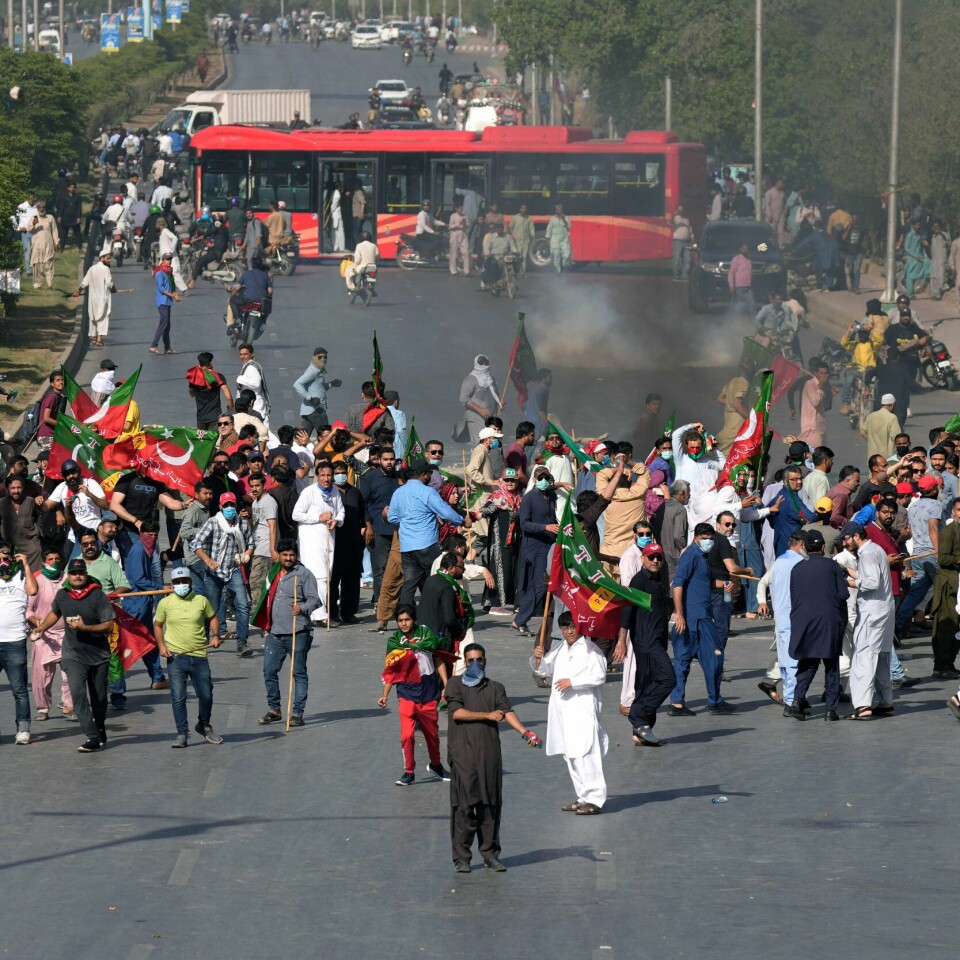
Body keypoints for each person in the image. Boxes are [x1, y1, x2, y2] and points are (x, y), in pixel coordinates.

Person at [444, 643, 541, 873]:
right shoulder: (455, 685)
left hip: (489, 757)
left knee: (490, 805)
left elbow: (507, 712)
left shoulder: (496, 687)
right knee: (464, 806)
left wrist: (525, 732)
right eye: (471, 660)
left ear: (485, 661)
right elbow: (457, 713)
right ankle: (462, 857)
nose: (475, 663)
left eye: (480, 659)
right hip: (463, 756)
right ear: (464, 663)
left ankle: (490, 854)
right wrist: (487, 715)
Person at [33, 558, 116, 752]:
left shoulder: (98, 595)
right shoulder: (62, 595)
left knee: (99, 700)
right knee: (78, 695)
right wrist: (41, 629)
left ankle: (100, 726)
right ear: (68, 576)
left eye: (80, 572)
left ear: (86, 574)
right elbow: (55, 613)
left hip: (98, 655)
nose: (77, 576)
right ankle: (92, 737)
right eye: (73, 573)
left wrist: (85, 627)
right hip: (72, 655)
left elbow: (109, 625)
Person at [531, 610, 608, 814]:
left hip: (582, 709)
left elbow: (599, 676)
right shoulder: (560, 649)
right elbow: (543, 670)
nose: (570, 631)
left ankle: (595, 798)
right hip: (562, 709)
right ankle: (583, 796)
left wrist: (573, 683)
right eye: (566, 627)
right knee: (570, 753)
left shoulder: (591, 650)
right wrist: (537, 657)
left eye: (573, 627)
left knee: (586, 752)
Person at [378, 604, 452, 785]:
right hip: (406, 692)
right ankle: (409, 771)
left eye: (407, 620)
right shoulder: (394, 642)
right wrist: (384, 694)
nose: (404, 624)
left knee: (432, 735)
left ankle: (436, 765)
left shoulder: (427, 635)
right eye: (400, 620)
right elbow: (391, 670)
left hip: (428, 692)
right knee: (407, 736)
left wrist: (447, 685)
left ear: (414, 620)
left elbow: (438, 659)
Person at [154, 566, 223, 748]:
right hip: (176, 657)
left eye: (184, 581)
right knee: (178, 697)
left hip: (199, 656)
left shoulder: (201, 600)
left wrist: (216, 635)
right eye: (177, 582)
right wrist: (161, 646)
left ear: (190, 583)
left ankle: (203, 724)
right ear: (172, 584)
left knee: (206, 695)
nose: (181, 584)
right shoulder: (165, 603)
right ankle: (182, 734)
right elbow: (158, 625)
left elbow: (213, 617)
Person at [257, 539, 321, 727]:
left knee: (298, 673)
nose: (288, 558)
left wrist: (301, 608)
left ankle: (297, 713)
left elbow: (315, 600)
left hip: (297, 631)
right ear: (278, 555)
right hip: (275, 632)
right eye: (284, 554)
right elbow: (266, 599)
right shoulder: (274, 573)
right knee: (269, 670)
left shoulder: (304, 574)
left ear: (296, 555)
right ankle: (274, 709)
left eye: (291, 554)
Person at [615, 542, 674, 745]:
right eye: (651, 557)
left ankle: (639, 731)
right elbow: (626, 612)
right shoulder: (639, 581)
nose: (656, 560)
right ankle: (639, 717)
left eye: (658, 557)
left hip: (657, 639)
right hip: (646, 642)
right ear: (643, 559)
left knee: (645, 684)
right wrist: (621, 641)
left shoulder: (658, 579)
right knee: (668, 678)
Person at [387, 460, 465, 608]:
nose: (430, 476)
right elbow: (446, 513)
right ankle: (440, 612)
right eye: (429, 473)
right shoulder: (428, 492)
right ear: (423, 475)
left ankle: (405, 615)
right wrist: (461, 520)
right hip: (427, 545)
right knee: (438, 579)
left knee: (409, 585)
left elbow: (391, 517)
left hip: (407, 547)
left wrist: (406, 518)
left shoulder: (399, 492)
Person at [788, 529, 848, 721]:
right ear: (823, 547)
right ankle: (830, 710)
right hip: (828, 621)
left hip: (804, 621)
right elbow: (843, 595)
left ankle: (798, 699)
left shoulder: (797, 568)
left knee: (807, 662)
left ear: (804, 547)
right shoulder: (832, 566)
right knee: (831, 665)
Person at [840, 522, 895, 720]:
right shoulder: (875, 549)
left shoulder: (868, 554)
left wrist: (844, 582)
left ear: (856, 536)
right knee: (881, 657)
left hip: (872, 612)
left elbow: (871, 582)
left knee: (863, 657)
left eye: (846, 539)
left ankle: (863, 707)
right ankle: (885, 702)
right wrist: (848, 571)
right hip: (884, 611)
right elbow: (870, 576)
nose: (845, 544)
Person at [190, 493, 254, 656]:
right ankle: (204, 637)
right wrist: (208, 560)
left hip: (233, 570)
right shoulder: (213, 522)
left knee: (242, 604)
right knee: (211, 607)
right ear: (220, 507)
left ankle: (242, 643)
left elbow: (251, 543)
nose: (229, 508)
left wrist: (246, 553)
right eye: (226, 506)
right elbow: (195, 543)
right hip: (214, 572)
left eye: (232, 505)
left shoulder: (242, 524)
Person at [292, 460, 344, 627]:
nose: (326, 479)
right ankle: (319, 614)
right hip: (311, 540)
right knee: (319, 577)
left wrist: (336, 520)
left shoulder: (335, 491)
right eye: (323, 475)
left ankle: (315, 610)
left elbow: (341, 510)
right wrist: (318, 518)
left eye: (329, 475)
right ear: (317, 476)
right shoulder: (309, 492)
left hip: (329, 539)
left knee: (326, 576)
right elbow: (296, 514)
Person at [0, 545, 39, 745]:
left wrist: (25, 563)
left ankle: (23, 729)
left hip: (14, 641)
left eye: (6, 556)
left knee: (19, 689)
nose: (2, 560)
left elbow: (33, 590)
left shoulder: (21, 576)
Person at [514, 466, 558, 636]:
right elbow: (524, 524)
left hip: (549, 544)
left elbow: (552, 517)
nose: (544, 481)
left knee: (542, 584)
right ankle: (520, 619)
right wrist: (545, 527)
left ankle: (521, 620)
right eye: (540, 477)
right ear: (534, 479)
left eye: (546, 477)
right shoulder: (529, 498)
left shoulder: (551, 495)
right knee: (539, 585)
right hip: (534, 547)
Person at [329, 464, 365, 624]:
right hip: (334, 543)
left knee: (351, 580)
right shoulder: (329, 493)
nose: (340, 475)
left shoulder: (356, 492)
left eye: (343, 472)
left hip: (353, 543)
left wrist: (366, 526)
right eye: (337, 473)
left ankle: (349, 612)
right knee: (333, 580)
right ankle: (332, 613)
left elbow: (364, 514)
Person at [930, 497, 960, 680]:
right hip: (948, 586)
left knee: (956, 627)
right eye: (959, 509)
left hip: (957, 585)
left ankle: (948, 663)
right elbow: (943, 559)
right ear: (954, 512)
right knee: (947, 626)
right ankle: (941, 666)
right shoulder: (949, 532)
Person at [294, 347, 342, 438]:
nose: (323, 359)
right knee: (326, 437)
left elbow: (319, 389)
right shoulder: (313, 371)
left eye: (325, 357)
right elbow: (297, 384)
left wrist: (331, 384)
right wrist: (310, 398)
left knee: (302, 437)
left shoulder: (318, 370)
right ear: (314, 357)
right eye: (320, 357)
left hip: (308, 410)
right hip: (316, 410)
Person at [457, 354, 500, 448]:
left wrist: (500, 403)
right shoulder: (470, 379)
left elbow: (495, 396)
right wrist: (480, 409)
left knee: (494, 446)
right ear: (476, 363)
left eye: (486, 362)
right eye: (481, 362)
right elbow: (463, 399)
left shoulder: (491, 379)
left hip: (491, 418)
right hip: (476, 418)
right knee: (481, 446)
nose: (484, 365)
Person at [76, 251, 116, 348]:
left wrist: (79, 289)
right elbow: (109, 283)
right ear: (101, 258)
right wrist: (113, 289)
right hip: (102, 297)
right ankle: (99, 339)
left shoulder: (91, 269)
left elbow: (85, 282)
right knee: (103, 317)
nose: (110, 260)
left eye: (110, 258)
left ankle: (94, 337)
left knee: (93, 317)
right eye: (108, 258)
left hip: (93, 298)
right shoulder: (106, 269)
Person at [186, 352, 233, 431]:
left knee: (203, 441)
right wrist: (231, 411)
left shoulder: (194, 378)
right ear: (210, 363)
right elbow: (228, 396)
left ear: (199, 364)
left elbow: (191, 394)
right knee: (214, 440)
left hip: (201, 417)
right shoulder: (219, 376)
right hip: (214, 417)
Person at [715, 359, 754, 453]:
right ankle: (705, 451)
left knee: (729, 446)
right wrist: (749, 418)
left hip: (728, 415)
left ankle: (723, 463)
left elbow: (719, 398)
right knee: (725, 439)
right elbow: (737, 404)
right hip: (737, 417)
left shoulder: (732, 381)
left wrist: (729, 403)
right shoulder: (744, 383)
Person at [149, 252, 181, 355]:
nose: (169, 261)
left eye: (170, 259)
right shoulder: (159, 273)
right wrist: (173, 296)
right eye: (167, 259)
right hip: (162, 301)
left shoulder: (168, 272)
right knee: (163, 324)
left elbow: (171, 286)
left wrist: (174, 294)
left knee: (167, 325)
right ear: (163, 260)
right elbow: (162, 289)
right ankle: (154, 346)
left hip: (167, 301)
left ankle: (167, 348)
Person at [237, 343, 271, 428]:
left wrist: (240, 379)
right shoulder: (247, 365)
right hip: (251, 404)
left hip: (256, 405)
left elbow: (256, 383)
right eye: (241, 354)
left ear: (252, 354)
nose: (242, 357)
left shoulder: (251, 367)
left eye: (245, 354)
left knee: (261, 431)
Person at [28, 201, 59, 290]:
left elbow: (54, 231)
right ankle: (37, 284)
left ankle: (50, 284)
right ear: (37, 208)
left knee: (48, 264)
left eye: (43, 207)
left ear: (45, 208)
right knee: (37, 265)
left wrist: (56, 242)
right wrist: (34, 223)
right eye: (39, 207)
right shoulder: (34, 218)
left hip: (48, 245)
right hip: (37, 245)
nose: (41, 209)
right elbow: (29, 229)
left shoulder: (50, 218)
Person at [860, 393, 900, 461]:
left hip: (872, 458)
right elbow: (897, 437)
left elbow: (862, 432)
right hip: (888, 458)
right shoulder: (892, 418)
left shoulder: (871, 416)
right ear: (892, 405)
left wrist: (870, 440)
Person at [345, 229, 379, 294]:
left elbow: (357, 260)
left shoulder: (359, 245)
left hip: (362, 267)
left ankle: (352, 288)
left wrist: (355, 264)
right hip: (373, 267)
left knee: (348, 269)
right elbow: (377, 256)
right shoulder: (374, 245)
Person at [727, 242, 754, 316]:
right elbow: (731, 273)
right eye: (744, 249)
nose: (745, 250)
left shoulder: (749, 260)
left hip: (748, 287)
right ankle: (735, 322)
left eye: (747, 249)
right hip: (739, 287)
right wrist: (732, 285)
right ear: (740, 250)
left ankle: (754, 323)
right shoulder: (736, 259)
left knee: (752, 304)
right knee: (739, 306)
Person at [509, 203, 535, 277]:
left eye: (525, 208)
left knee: (524, 257)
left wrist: (533, 239)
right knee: (517, 256)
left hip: (526, 240)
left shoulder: (528, 218)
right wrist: (510, 239)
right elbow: (510, 228)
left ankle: (523, 272)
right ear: (519, 209)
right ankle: (516, 271)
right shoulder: (515, 218)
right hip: (516, 240)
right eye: (522, 208)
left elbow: (531, 229)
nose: (523, 210)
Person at [544, 203, 571, 273]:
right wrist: (547, 238)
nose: (557, 210)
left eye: (559, 209)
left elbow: (569, 227)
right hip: (555, 239)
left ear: (562, 210)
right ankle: (558, 270)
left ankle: (564, 264)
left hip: (564, 240)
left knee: (566, 255)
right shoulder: (553, 218)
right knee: (556, 255)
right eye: (556, 209)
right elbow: (549, 228)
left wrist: (563, 219)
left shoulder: (566, 217)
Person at [670, 205, 692, 280]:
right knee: (676, 259)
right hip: (677, 241)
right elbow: (670, 222)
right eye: (679, 209)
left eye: (682, 209)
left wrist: (692, 239)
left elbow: (690, 230)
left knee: (687, 259)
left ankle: (684, 275)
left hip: (687, 241)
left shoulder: (687, 220)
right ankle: (675, 275)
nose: (681, 211)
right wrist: (675, 214)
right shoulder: (676, 218)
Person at [447, 201, 469, 276]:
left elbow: (467, 225)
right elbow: (450, 226)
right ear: (456, 209)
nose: (461, 210)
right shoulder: (453, 216)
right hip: (454, 234)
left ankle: (466, 270)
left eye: (461, 208)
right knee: (454, 253)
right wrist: (459, 223)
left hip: (463, 233)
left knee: (466, 252)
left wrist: (465, 224)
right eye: (459, 208)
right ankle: (453, 270)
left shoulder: (465, 216)